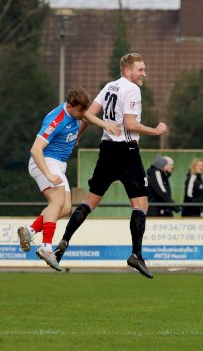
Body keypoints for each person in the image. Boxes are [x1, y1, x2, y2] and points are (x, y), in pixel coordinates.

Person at [53, 53, 167, 279]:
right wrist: (155, 130)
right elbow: (130, 124)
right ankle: (136, 255)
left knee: (90, 201)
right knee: (140, 205)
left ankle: (62, 245)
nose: (144, 74)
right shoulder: (132, 89)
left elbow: (86, 114)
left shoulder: (109, 87)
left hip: (106, 150)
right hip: (127, 150)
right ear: (128, 71)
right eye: (140, 70)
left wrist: (78, 135)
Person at [17, 86, 120, 271]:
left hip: (58, 164)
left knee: (65, 208)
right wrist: (48, 174)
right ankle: (46, 247)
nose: (83, 114)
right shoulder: (56, 120)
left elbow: (87, 116)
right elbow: (35, 149)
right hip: (45, 161)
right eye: (80, 110)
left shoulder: (76, 112)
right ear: (70, 106)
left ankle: (31, 230)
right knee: (56, 201)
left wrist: (105, 125)